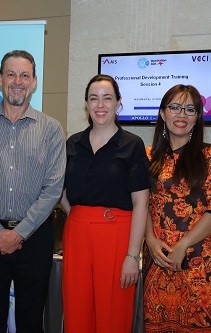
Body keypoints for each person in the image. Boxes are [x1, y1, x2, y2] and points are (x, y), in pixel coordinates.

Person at [0, 50, 66, 333]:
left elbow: (53, 189)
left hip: (35, 238)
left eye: (24, 75)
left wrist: (19, 233)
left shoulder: (52, 129)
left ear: (34, 82)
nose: (17, 81)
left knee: (31, 322)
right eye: (11, 74)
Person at [60, 74, 150, 333]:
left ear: (118, 103)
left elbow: (141, 203)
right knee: (76, 311)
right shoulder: (72, 143)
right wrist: (77, 215)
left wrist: (133, 255)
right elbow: (61, 192)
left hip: (117, 235)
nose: (100, 105)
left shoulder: (132, 145)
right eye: (93, 98)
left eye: (107, 98)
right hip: (77, 234)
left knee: (113, 315)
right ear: (86, 105)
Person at [142, 84, 211, 332]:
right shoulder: (148, 157)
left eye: (190, 109)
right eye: (175, 107)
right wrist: (149, 239)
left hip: (196, 262)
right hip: (156, 259)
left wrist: (183, 245)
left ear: (197, 117)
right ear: (162, 113)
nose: (182, 115)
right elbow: (142, 204)